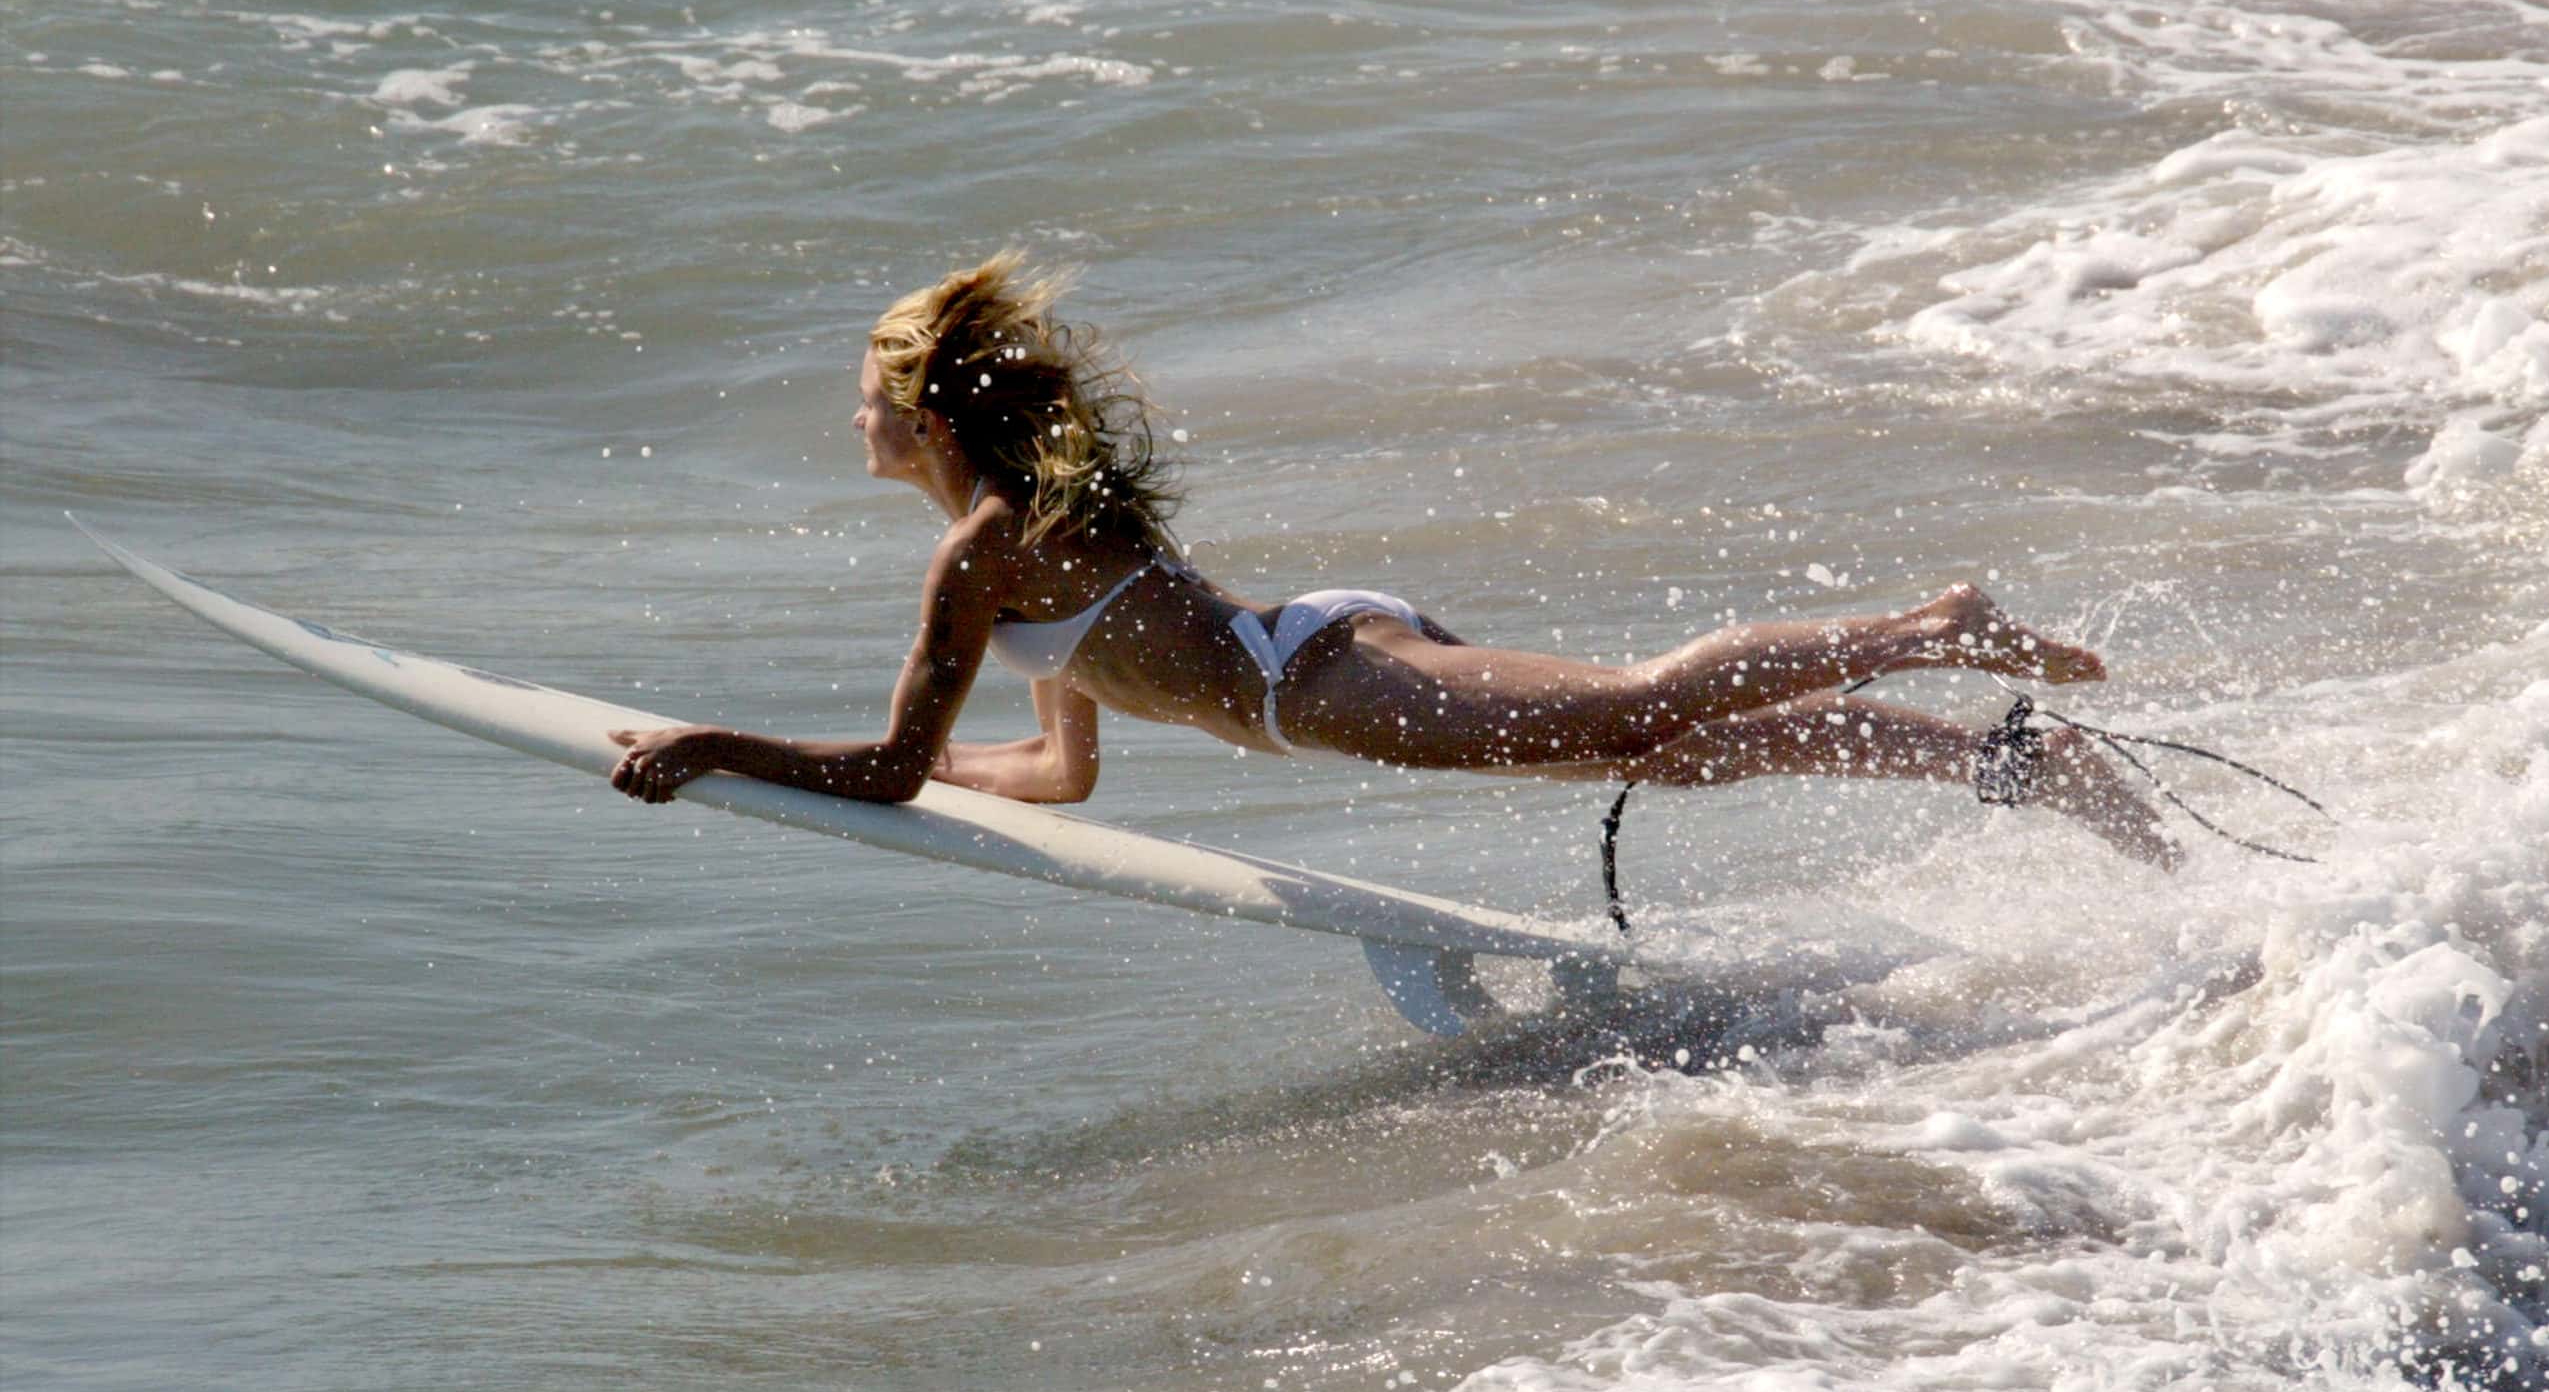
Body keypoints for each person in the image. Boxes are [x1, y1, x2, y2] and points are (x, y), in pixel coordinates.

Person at [608, 253, 2178, 868]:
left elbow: (890, 769)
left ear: (924, 414)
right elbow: (1058, 771)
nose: (855, 419)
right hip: (1318, 662)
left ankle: (1934, 625)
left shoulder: (985, 552)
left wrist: (717, 749)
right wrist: (925, 773)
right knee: (1662, 750)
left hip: (1323, 681)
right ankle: (2012, 765)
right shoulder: (1021, 547)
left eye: (869, 397)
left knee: (1639, 706)